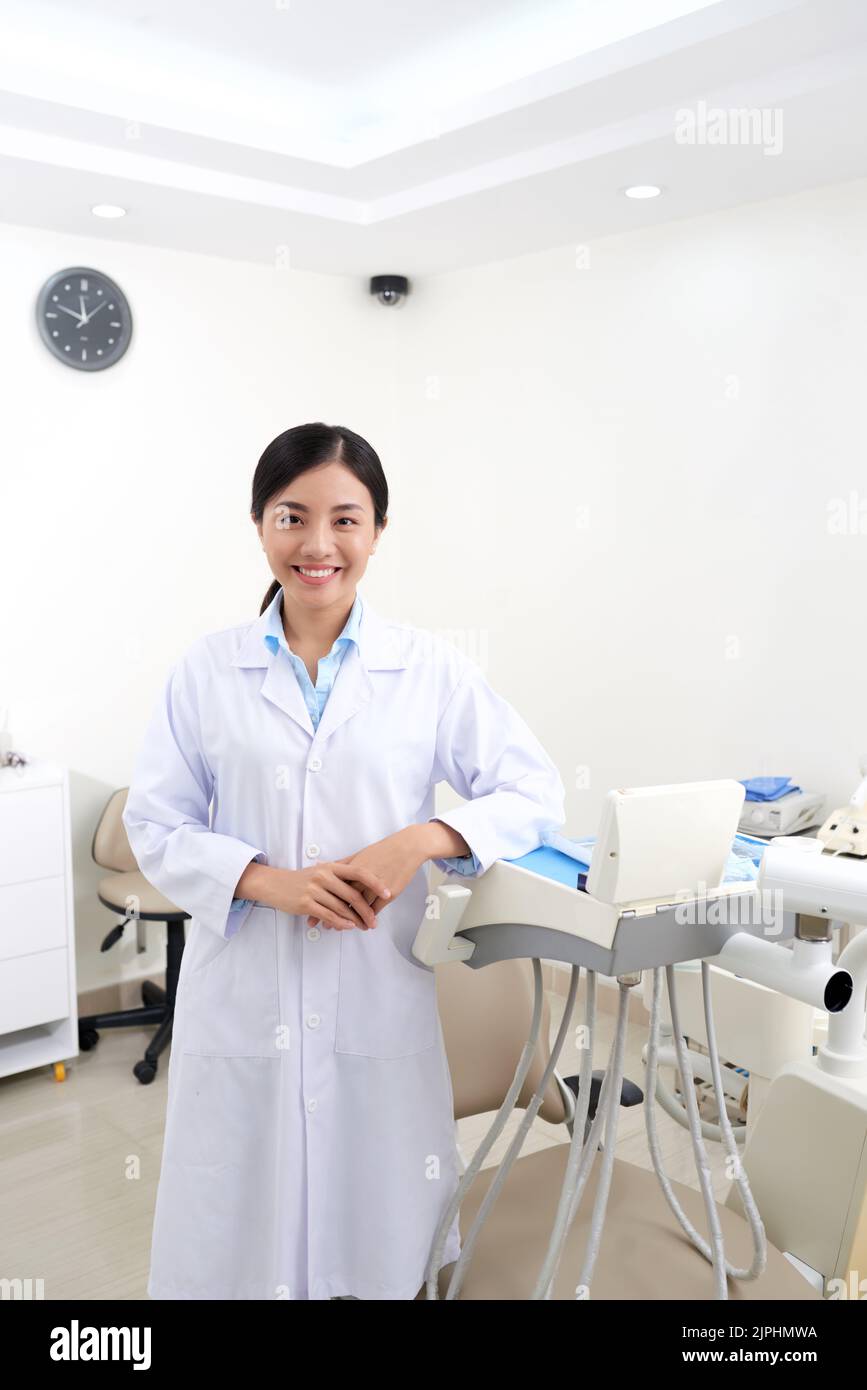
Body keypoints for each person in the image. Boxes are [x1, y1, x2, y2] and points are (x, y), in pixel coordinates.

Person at [122, 421, 566, 1300]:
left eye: (345, 520)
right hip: (247, 987)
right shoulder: (204, 674)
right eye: (292, 517)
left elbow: (534, 794)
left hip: (375, 988)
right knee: (238, 1239)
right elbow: (156, 823)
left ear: (377, 531)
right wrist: (264, 881)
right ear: (259, 525)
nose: (318, 545)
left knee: (378, 1238)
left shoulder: (430, 671)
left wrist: (421, 839)